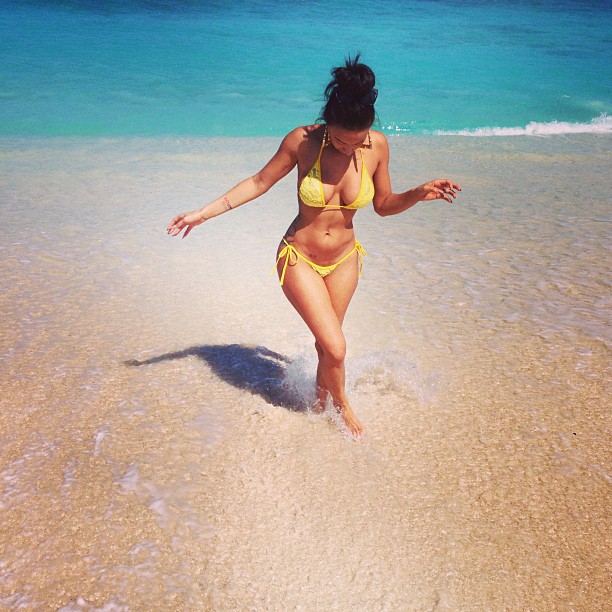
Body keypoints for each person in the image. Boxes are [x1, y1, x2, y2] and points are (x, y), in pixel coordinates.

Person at [167, 55, 460, 438]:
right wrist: (203, 214)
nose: (348, 148)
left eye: (357, 142)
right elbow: (258, 182)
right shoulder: (303, 142)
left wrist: (418, 193)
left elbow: (384, 205)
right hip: (299, 257)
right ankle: (342, 407)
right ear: (328, 122)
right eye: (340, 140)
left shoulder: (378, 146)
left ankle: (319, 403)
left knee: (326, 346)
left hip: (345, 259)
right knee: (336, 347)